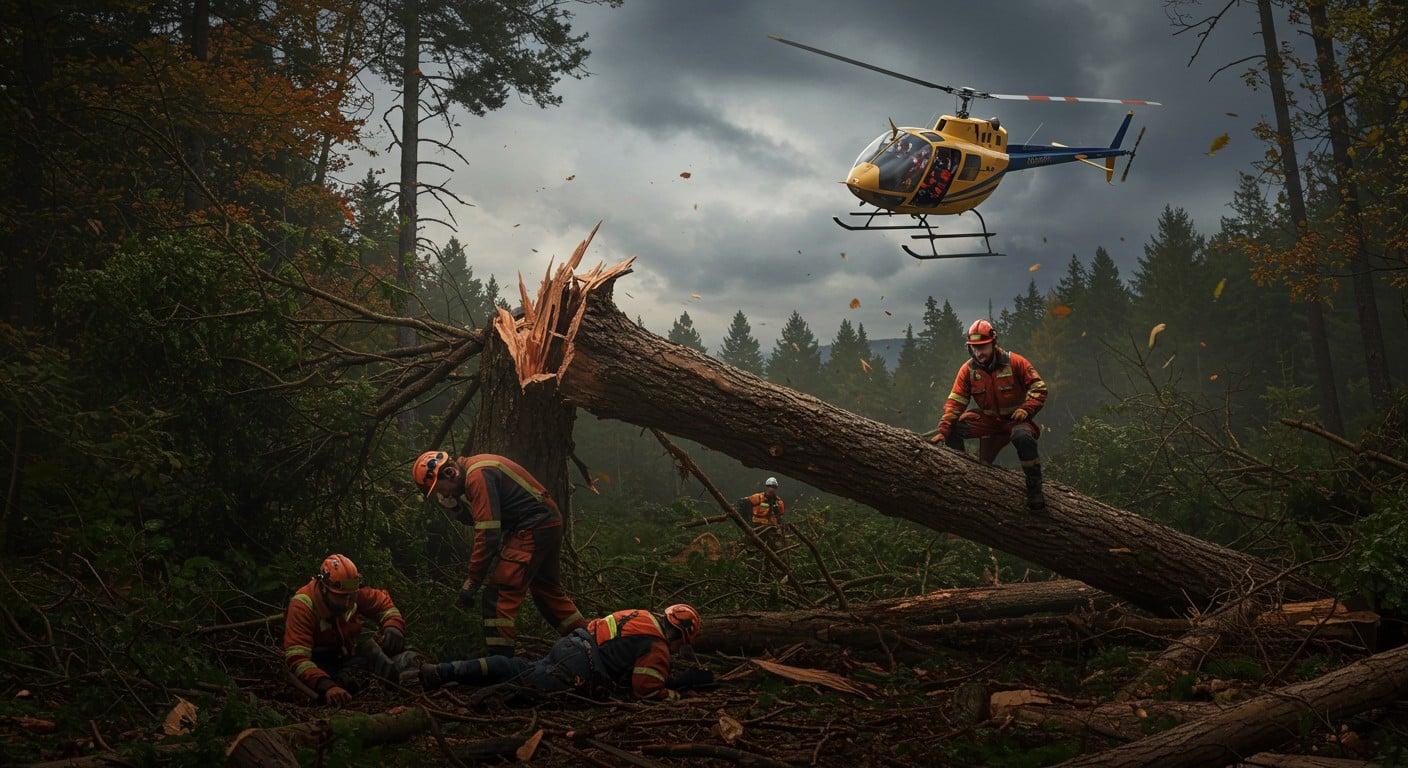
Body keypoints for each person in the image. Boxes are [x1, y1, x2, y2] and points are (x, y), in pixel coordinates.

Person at [413, 450, 587, 656]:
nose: (445, 495)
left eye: (441, 490)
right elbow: (487, 518)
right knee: (546, 592)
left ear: (450, 472)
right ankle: (591, 641)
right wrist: (459, 511)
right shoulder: (477, 469)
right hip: (546, 522)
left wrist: (474, 579)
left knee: (498, 596)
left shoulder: (477, 475)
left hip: (534, 526)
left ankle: (501, 663)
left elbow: (488, 533)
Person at [419, 604, 712, 702]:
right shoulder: (658, 645)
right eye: (682, 645)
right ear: (681, 635)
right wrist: (675, 692)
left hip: (570, 645)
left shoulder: (641, 615)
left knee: (516, 666)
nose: (678, 651)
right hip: (579, 669)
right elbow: (645, 690)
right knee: (529, 689)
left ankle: (445, 670)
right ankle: (480, 699)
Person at [930, 319, 1050, 511]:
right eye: (974, 348)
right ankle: (964, 474)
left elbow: (1039, 388)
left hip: (1015, 421)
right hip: (988, 421)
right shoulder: (967, 370)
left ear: (993, 343)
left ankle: (1034, 490)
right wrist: (943, 430)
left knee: (1024, 437)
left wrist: (1026, 409)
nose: (979, 352)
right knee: (954, 428)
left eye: (983, 347)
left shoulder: (1016, 362)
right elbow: (956, 402)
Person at [283, 554, 420, 705]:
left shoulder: (351, 590)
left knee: (371, 656)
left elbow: (382, 604)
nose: (347, 602)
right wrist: (327, 686)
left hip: (345, 657)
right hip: (318, 663)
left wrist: (393, 627)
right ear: (324, 588)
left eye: (351, 596)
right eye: (341, 597)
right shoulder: (303, 606)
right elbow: (298, 659)